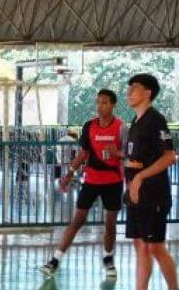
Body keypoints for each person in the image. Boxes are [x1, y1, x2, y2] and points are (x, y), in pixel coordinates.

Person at [110, 74, 179, 290]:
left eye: (135, 88)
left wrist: (140, 177)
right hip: (136, 196)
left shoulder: (156, 120)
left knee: (155, 246)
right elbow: (138, 157)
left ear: (148, 93)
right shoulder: (135, 122)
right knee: (140, 245)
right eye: (129, 88)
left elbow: (169, 156)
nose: (129, 92)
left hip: (153, 194)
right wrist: (125, 163)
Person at [40, 89, 124, 278]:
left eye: (104, 103)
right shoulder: (89, 126)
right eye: (98, 102)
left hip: (113, 181)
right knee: (77, 220)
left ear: (112, 105)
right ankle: (55, 260)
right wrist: (69, 174)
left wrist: (117, 154)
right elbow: (83, 153)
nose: (99, 106)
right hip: (92, 180)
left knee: (110, 223)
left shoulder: (121, 128)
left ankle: (108, 258)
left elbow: (130, 155)